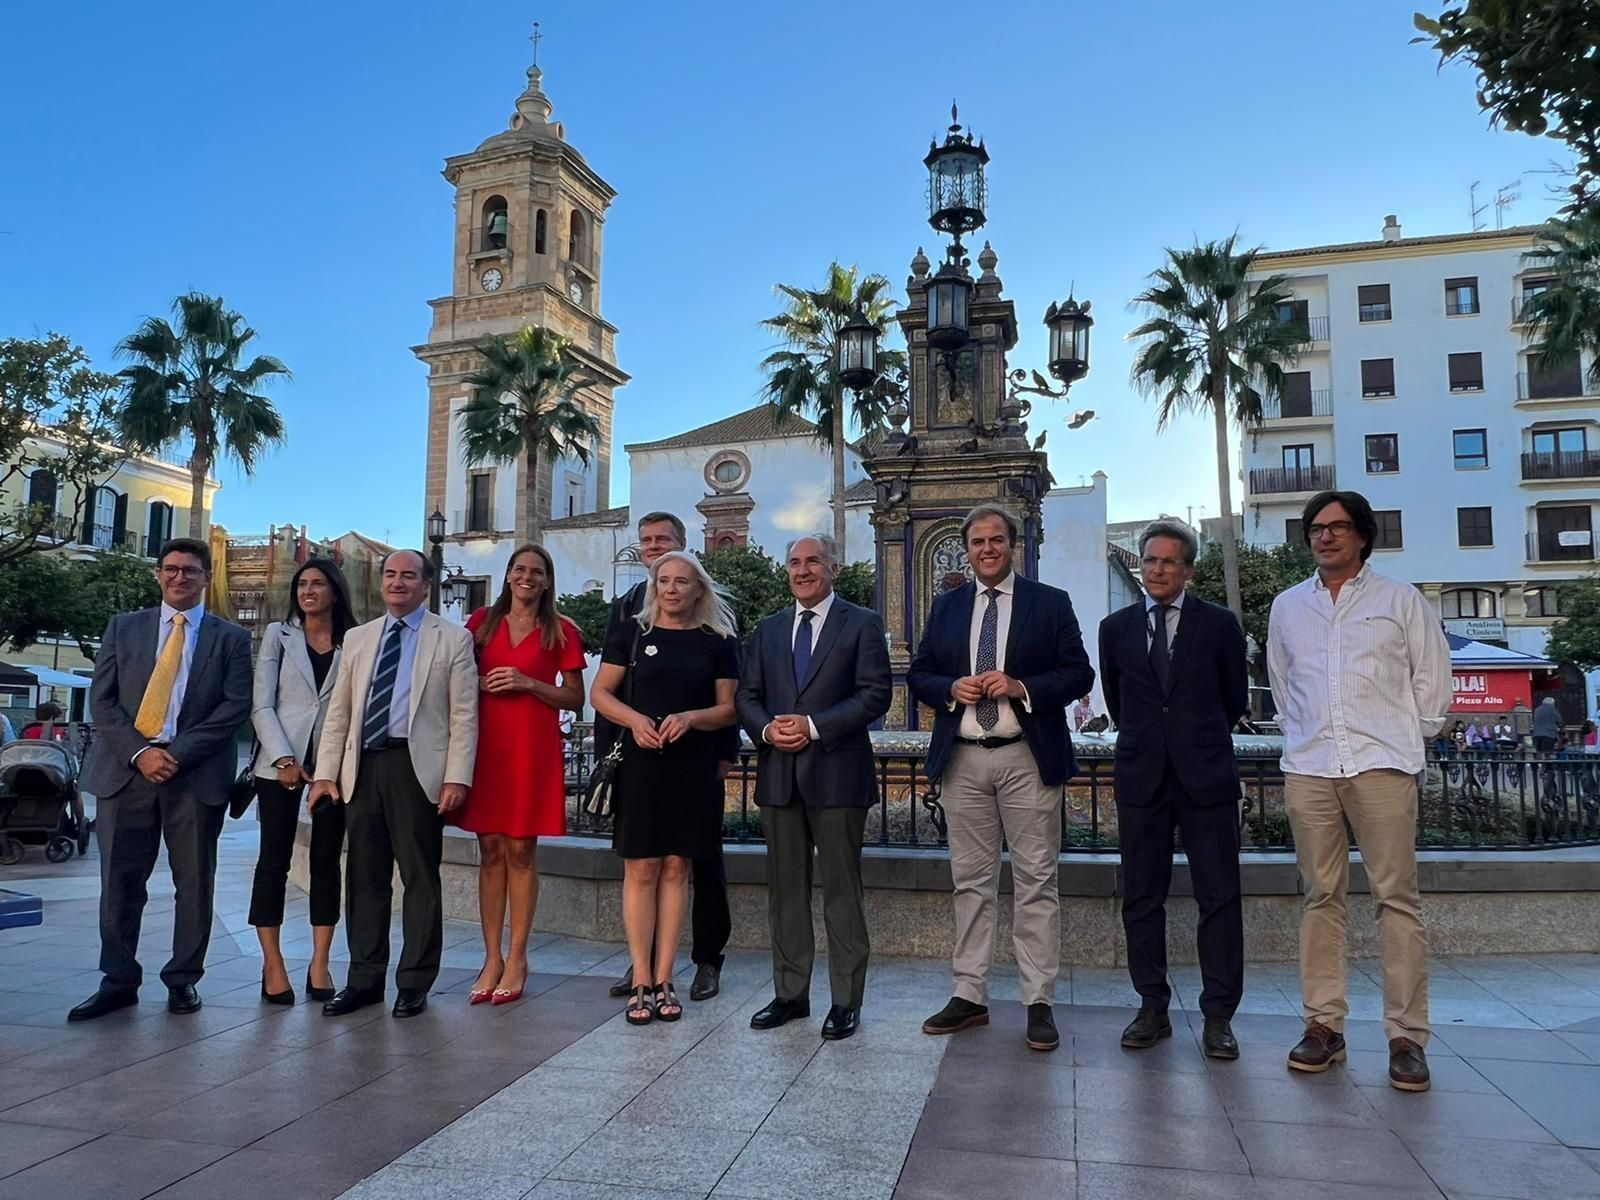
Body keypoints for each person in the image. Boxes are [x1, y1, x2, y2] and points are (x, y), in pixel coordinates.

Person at [1267, 490, 1451, 1092]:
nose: (1325, 537)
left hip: (1380, 766)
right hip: (1312, 767)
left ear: (1362, 536)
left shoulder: (1401, 601)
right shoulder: (1288, 607)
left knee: (1397, 898)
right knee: (1321, 896)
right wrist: (1301, 742)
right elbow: (1284, 683)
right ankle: (1324, 1025)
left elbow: (1432, 680)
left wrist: (1405, 743)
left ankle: (1405, 1036)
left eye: (1338, 527)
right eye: (1317, 528)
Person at [908, 504, 1095, 1053]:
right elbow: (920, 673)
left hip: (1026, 757)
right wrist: (949, 688)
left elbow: (1080, 672)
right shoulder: (946, 608)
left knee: (1037, 882)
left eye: (996, 540)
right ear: (965, 550)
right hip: (963, 758)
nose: (986, 549)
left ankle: (1038, 1001)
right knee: (970, 883)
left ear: (1013, 545)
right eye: (977, 542)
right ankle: (970, 995)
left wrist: (1021, 686)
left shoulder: (1049, 603)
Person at [69, 538, 253, 1021]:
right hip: (126, 775)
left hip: (195, 777)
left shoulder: (230, 638)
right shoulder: (123, 629)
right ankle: (118, 980)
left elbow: (234, 706)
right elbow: (103, 702)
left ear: (205, 577)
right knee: (120, 883)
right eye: (170, 569)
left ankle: (183, 980)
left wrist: (178, 754)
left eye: (190, 571)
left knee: (194, 883)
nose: (179, 577)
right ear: (158, 574)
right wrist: (141, 753)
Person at [1098, 519, 1247, 1059]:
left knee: (1220, 898)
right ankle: (1152, 1006)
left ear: (1187, 568)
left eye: (1168, 562)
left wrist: (1192, 740)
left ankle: (1218, 1016)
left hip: (1205, 778)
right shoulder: (1114, 629)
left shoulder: (1220, 625)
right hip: (1142, 778)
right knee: (1141, 897)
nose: (1156, 570)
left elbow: (1234, 699)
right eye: (1149, 560)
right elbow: (1119, 701)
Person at [308, 549, 478, 1019]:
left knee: (420, 878)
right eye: (390, 575)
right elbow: (339, 711)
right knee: (363, 878)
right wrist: (325, 773)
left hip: (416, 769)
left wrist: (456, 777)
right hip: (362, 769)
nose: (397, 583)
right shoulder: (359, 639)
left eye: (408, 576)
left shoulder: (452, 640)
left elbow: (464, 716)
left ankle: (414, 982)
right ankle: (363, 980)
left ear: (426, 585)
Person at [737, 533, 890, 1041]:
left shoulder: (862, 623)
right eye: (794, 563)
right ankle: (790, 994)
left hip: (837, 775)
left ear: (833, 569)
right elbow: (748, 694)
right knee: (785, 891)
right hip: (779, 777)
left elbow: (875, 695)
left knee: (842, 893)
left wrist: (813, 725)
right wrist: (764, 728)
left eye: (813, 562)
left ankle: (846, 1000)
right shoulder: (769, 628)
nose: (802, 571)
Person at [591, 551, 739, 1025]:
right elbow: (600, 694)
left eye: (682, 581)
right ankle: (640, 979)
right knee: (640, 868)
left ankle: (665, 975)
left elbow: (728, 709)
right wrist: (634, 720)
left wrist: (692, 718)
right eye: (664, 580)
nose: (672, 588)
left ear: (700, 589)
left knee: (677, 868)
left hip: (691, 764)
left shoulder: (718, 641)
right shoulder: (631, 633)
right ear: (654, 585)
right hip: (641, 761)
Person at [456, 544, 586, 1006]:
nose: (526, 577)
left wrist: (529, 683)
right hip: (486, 746)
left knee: (520, 850)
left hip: (531, 748)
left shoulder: (562, 631)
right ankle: (490, 958)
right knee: (489, 848)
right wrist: (480, 682)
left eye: (536, 571)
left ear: (547, 581)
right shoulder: (479, 624)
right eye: (519, 569)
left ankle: (517, 956)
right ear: (508, 575)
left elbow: (574, 698)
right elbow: (454, 678)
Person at [248, 558, 354, 1006]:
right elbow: (261, 704)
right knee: (273, 862)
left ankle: (320, 962)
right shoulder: (278, 634)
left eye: (318, 584)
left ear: (335, 591)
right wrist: (284, 758)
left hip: (331, 771)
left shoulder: (355, 641)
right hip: (280, 767)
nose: (308, 591)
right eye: (302, 585)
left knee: (326, 863)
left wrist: (328, 766)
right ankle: (272, 963)